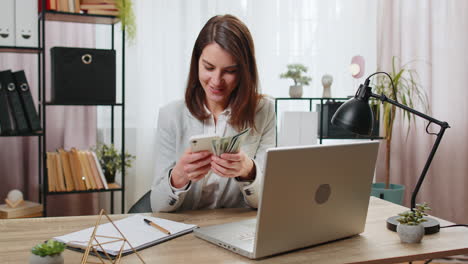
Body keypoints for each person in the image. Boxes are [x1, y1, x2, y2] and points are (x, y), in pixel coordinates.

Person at [150, 14, 275, 212]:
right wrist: (179, 176)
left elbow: (267, 202)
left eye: (230, 71)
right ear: (196, 63)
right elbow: (157, 206)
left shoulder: (264, 110)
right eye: (209, 68)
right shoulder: (171, 115)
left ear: (244, 71)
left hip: (237, 230)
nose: (216, 81)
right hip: (186, 231)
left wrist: (248, 171)